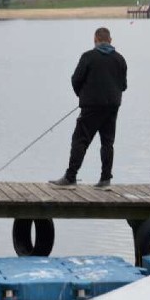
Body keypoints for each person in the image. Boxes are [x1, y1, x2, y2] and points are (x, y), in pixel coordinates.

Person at [50, 27, 127, 188]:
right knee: (107, 142)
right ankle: (105, 179)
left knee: (80, 140)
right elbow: (123, 86)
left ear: (95, 39)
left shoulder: (88, 57)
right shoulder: (120, 59)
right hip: (112, 106)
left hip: (91, 106)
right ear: (110, 40)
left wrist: (83, 96)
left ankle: (70, 177)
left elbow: (76, 79)